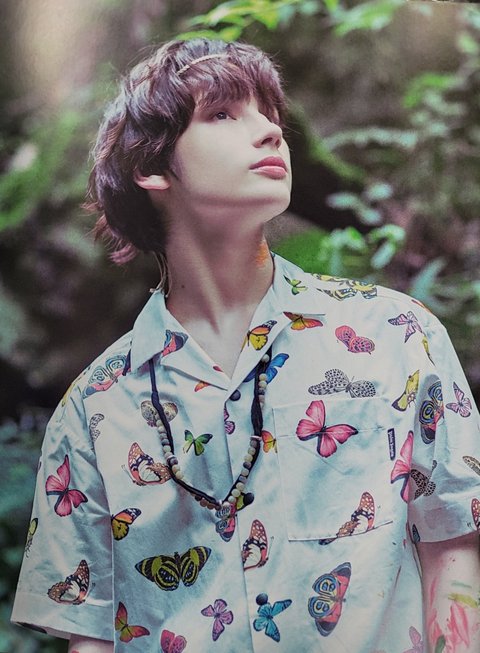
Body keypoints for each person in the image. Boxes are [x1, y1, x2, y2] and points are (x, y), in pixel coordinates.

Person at [11, 37, 480, 653]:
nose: (270, 132)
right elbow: (89, 637)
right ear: (151, 167)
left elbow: (455, 547)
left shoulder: (396, 335)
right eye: (223, 114)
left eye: (271, 115)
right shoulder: (95, 408)